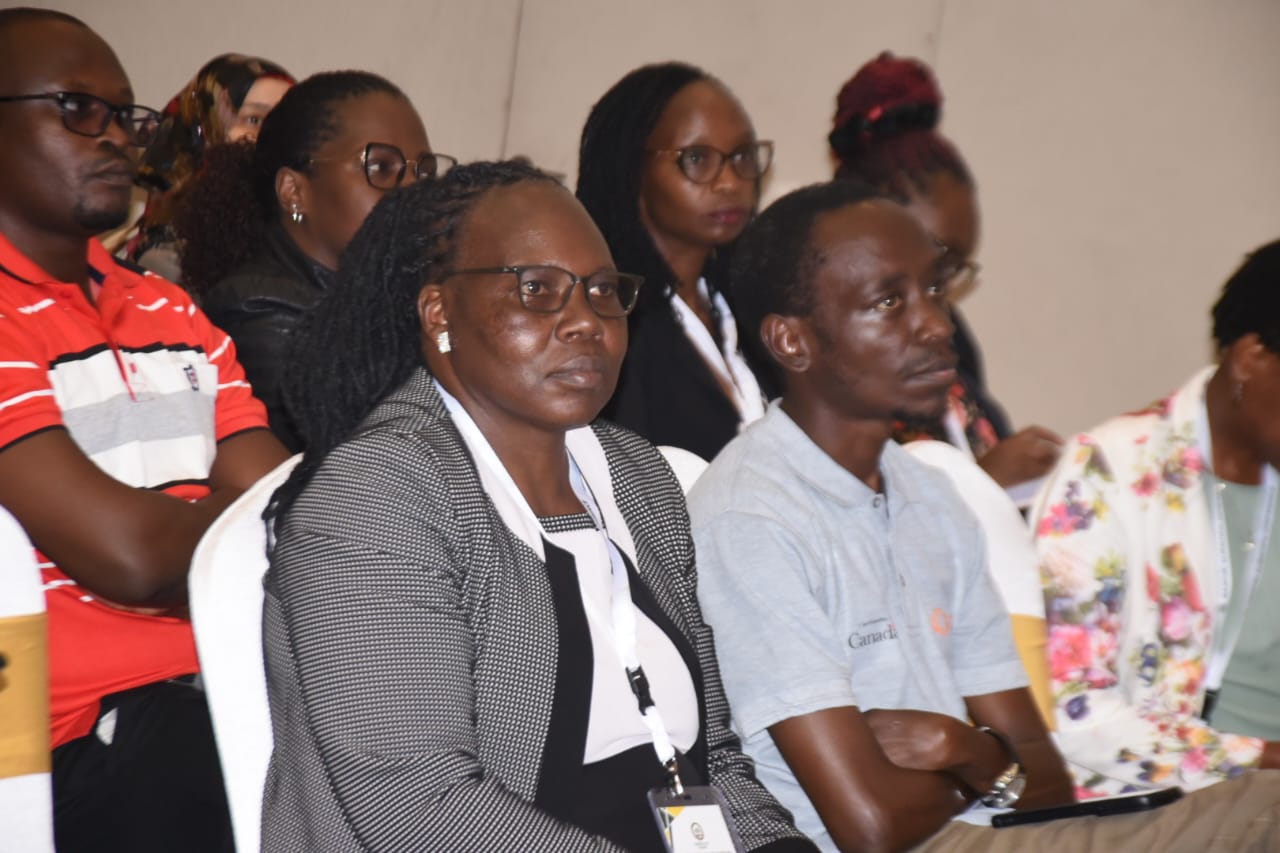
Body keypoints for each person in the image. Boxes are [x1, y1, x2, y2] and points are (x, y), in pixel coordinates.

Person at [687, 180, 1280, 852]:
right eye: (889, 301)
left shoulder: (931, 492)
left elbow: (1047, 775)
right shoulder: (753, 515)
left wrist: (962, 748)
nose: (937, 325)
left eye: (936, 290)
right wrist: (989, 766)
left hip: (999, 826)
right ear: (793, 341)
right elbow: (870, 825)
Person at [260, 160, 817, 852]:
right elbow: (417, 803)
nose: (586, 321)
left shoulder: (638, 475)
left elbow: (712, 756)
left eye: (603, 291)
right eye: (538, 290)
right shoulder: (376, 496)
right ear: (439, 311)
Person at [0, 9, 289, 852]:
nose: (118, 137)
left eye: (125, 115)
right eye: (77, 109)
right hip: (67, 731)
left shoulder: (170, 307)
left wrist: (188, 536)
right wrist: (224, 533)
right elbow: (124, 554)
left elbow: (288, 504)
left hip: (223, 672)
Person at [1033, 239, 1280, 796]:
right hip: (1163, 805)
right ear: (1250, 358)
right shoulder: (1107, 470)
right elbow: (1074, 711)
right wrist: (1264, 761)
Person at [176, 71, 454, 452]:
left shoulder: (392, 297)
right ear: (294, 191)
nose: (412, 191)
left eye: (424, 173)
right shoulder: (259, 312)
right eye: (381, 168)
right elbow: (379, 457)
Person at [829, 52, 1061, 492]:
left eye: (955, 268)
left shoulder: (953, 337)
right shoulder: (826, 359)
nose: (944, 294)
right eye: (939, 260)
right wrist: (987, 481)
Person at [578, 62, 773, 461]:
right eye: (697, 159)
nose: (730, 182)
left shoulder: (754, 308)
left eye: (742, 157)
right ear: (631, 167)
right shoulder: (608, 318)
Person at [121, 53, 294, 280]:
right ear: (205, 128)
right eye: (254, 120)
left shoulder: (305, 239)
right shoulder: (168, 259)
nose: (272, 135)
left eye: (285, 122)